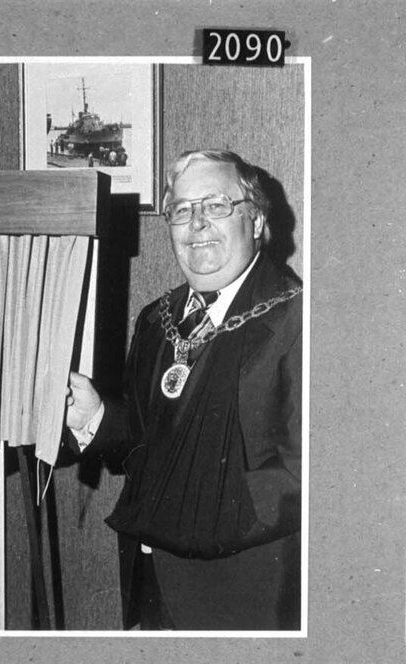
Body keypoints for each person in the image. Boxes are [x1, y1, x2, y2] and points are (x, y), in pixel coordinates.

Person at [65, 149, 302, 630]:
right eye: (181, 210)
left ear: (255, 221)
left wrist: (201, 503)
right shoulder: (156, 319)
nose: (196, 224)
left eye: (215, 205)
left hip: (245, 594)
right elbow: (147, 438)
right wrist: (94, 418)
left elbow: (313, 474)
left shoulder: (302, 322)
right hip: (152, 579)